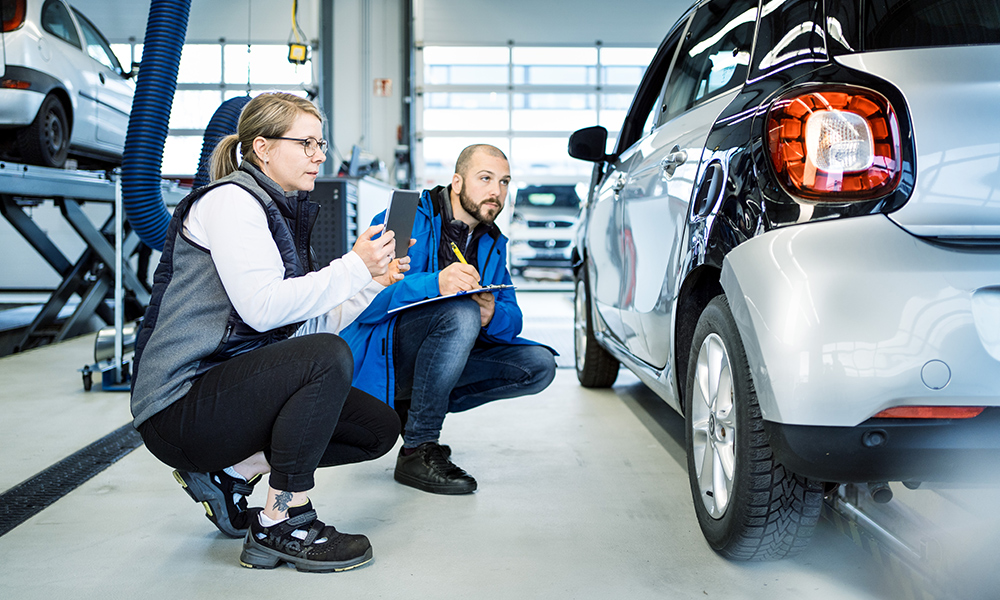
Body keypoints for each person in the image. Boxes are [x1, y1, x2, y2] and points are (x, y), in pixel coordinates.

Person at [130, 92, 407, 573]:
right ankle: (282, 521)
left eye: (321, 143)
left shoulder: (278, 211)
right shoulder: (231, 201)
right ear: (262, 146)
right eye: (307, 143)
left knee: (376, 430)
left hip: (227, 393)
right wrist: (352, 267)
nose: (320, 155)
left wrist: (368, 284)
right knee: (328, 356)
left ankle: (231, 475)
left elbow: (303, 329)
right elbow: (261, 310)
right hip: (178, 406)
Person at [340, 144, 557, 495]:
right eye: (485, 178)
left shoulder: (492, 242)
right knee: (461, 311)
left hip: (443, 357)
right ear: (456, 182)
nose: (496, 192)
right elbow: (365, 300)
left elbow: (513, 317)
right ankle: (417, 448)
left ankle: (424, 405)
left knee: (539, 364)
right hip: (388, 352)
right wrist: (436, 283)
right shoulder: (404, 217)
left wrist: (492, 314)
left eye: (504, 182)